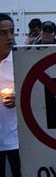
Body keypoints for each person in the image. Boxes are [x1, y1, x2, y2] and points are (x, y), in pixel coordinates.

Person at [0, 14, 21, 177]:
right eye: (3, 33)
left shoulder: (20, 61)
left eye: (11, 32)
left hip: (18, 139)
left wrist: (19, 99)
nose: (9, 37)